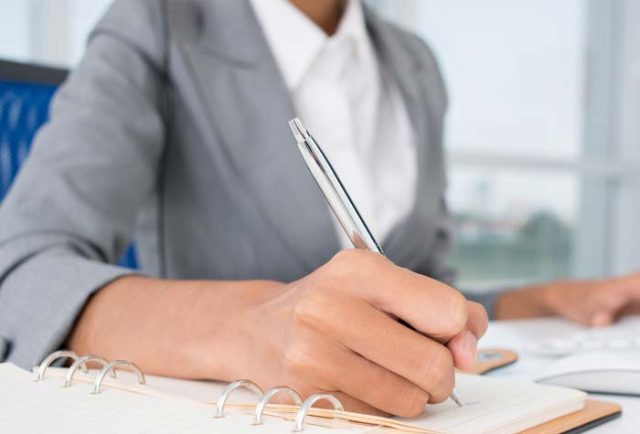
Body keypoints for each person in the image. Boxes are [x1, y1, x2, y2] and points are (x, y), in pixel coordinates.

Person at [0, 0, 637, 416]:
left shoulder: (415, 66)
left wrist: (543, 300)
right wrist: (252, 327)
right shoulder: (157, 25)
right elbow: (19, 273)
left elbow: (415, 290)